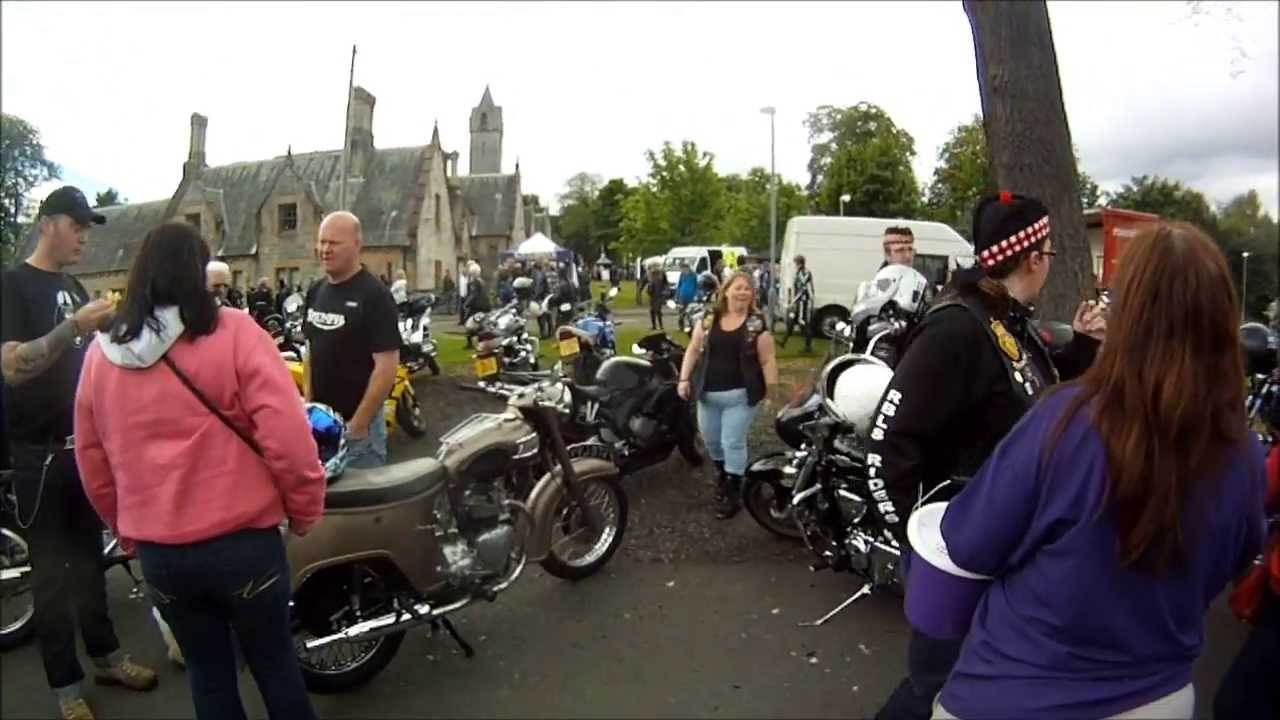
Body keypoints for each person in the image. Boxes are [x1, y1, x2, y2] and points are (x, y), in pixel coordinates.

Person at [928, 221, 1265, 720]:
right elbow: (1236, 558)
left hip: (1014, 693)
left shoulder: (1064, 420)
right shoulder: (1244, 451)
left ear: (1127, 315)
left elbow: (967, 542)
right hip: (1160, 699)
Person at [74, 221, 325, 720]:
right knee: (275, 665)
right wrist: (304, 507)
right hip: (244, 543)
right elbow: (289, 436)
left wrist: (126, 531)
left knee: (209, 676)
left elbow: (92, 459)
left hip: (162, 553)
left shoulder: (101, 357)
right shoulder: (235, 333)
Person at [870, 191, 1104, 720]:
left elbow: (1031, 400)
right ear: (1032, 258)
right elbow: (889, 443)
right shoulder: (956, 327)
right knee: (935, 685)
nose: (1049, 262)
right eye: (1047, 251)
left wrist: (1084, 348)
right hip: (960, 552)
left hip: (1006, 546)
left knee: (975, 681)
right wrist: (917, 546)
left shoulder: (1009, 319)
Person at [0, 186, 158, 720]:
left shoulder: (73, 286)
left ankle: (109, 657)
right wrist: (76, 325)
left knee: (93, 564)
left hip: (83, 450)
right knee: (50, 578)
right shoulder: (13, 285)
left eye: (89, 227)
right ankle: (66, 687)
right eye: (77, 225)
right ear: (48, 223)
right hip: (37, 456)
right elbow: (12, 367)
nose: (85, 237)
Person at [302, 211, 401, 469]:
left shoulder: (374, 296)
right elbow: (311, 350)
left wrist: (360, 422)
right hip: (321, 425)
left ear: (357, 244)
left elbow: (387, 367)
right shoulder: (316, 290)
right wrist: (308, 403)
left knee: (361, 505)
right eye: (322, 242)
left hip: (359, 432)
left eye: (333, 243)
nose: (324, 249)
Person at [677, 271, 779, 519]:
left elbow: (767, 360)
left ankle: (734, 490)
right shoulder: (709, 320)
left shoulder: (757, 325)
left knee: (732, 441)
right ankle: (724, 474)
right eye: (738, 288)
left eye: (747, 288)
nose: (743, 292)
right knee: (712, 441)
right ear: (726, 291)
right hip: (708, 395)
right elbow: (692, 350)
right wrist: (683, 379)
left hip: (741, 396)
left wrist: (771, 391)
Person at [780, 255, 816, 352]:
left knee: (802, 322)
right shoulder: (800, 272)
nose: (795, 265)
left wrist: (793, 301)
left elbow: (803, 289)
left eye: (795, 263)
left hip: (802, 302)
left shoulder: (804, 273)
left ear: (799, 263)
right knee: (792, 321)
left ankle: (808, 347)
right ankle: (783, 342)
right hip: (800, 301)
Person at [463, 262, 490, 349]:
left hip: (476, 306)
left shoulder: (475, 283)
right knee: (481, 325)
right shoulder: (482, 282)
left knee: (469, 324)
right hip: (484, 306)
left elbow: (473, 295)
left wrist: (466, 304)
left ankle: (471, 343)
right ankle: (478, 342)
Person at [647, 266, 669, 331]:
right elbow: (650, 290)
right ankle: (657, 326)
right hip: (655, 297)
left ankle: (658, 326)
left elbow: (650, 290)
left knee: (656, 311)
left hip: (657, 297)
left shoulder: (656, 280)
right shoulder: (655, 280)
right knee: (654, 311)